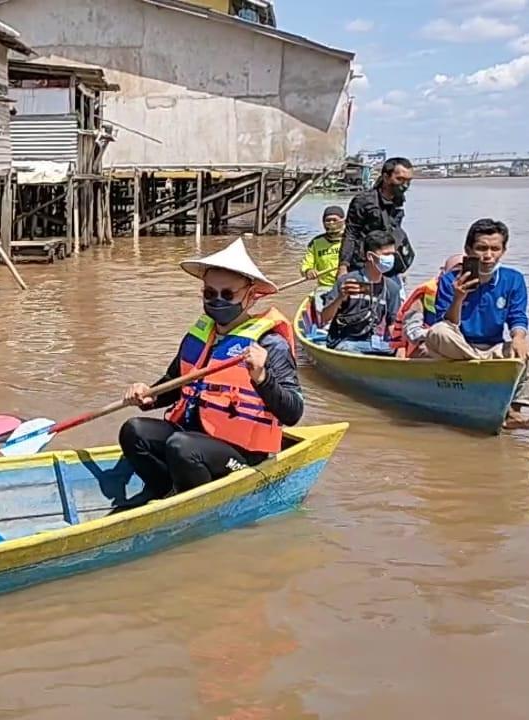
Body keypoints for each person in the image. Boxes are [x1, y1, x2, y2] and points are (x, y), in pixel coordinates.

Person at [117, 239, 304, 505]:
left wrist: (262, 377)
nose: (217, 301)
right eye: (209, 293)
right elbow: (175, 383)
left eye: (227, 294)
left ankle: (192, 506)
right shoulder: (200, 335)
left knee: (181, 447)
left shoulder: (270, 344)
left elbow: (293, 412)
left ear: (250, 296)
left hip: (241, 454)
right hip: (193, 439)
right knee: (133, 431)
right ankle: (165, 493)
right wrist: (148, 396)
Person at [426, 218, 529, 430]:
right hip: (457, 349)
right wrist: (458, 297)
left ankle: (515, 408)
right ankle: (487, 378)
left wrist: (518, 338)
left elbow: (517, 316)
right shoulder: (450, 280)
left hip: (491, 349)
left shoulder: (513, 279)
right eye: (481, 248)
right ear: (468, 250)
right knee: (438, 331)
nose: (488, 256)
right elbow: (445, 323)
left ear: (503, 251)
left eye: (495, 249)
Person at [318, 231, 402, 355]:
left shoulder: (392, 288)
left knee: (400, 350)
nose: (390, 259)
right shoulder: (347, 281)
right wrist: (341, 297)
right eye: (386, 254)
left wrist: (399, 346)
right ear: (370, 256)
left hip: (374, 343)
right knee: (349, 349)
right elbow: (325, 318)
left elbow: (393, 323)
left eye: (392, 254)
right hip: (344, 342)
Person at [338, 157, 416, 289]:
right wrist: (343, 266)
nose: (405, 185)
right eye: (400, 179)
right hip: (365, 265)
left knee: (394, 302)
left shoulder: (399, 200)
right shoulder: (364, 201)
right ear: (386, 177)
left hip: (390, 266)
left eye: (408, 180)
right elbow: (351, 234)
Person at [390, 253, 464, 358]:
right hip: (428, 346)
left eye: (464, 272)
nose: (459, 277)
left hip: (462, 345)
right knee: (425, 349)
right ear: (443, 272)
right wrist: (439, 334)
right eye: (454, 272)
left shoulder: (477, 292)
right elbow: (412, 332)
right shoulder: (424, 295)